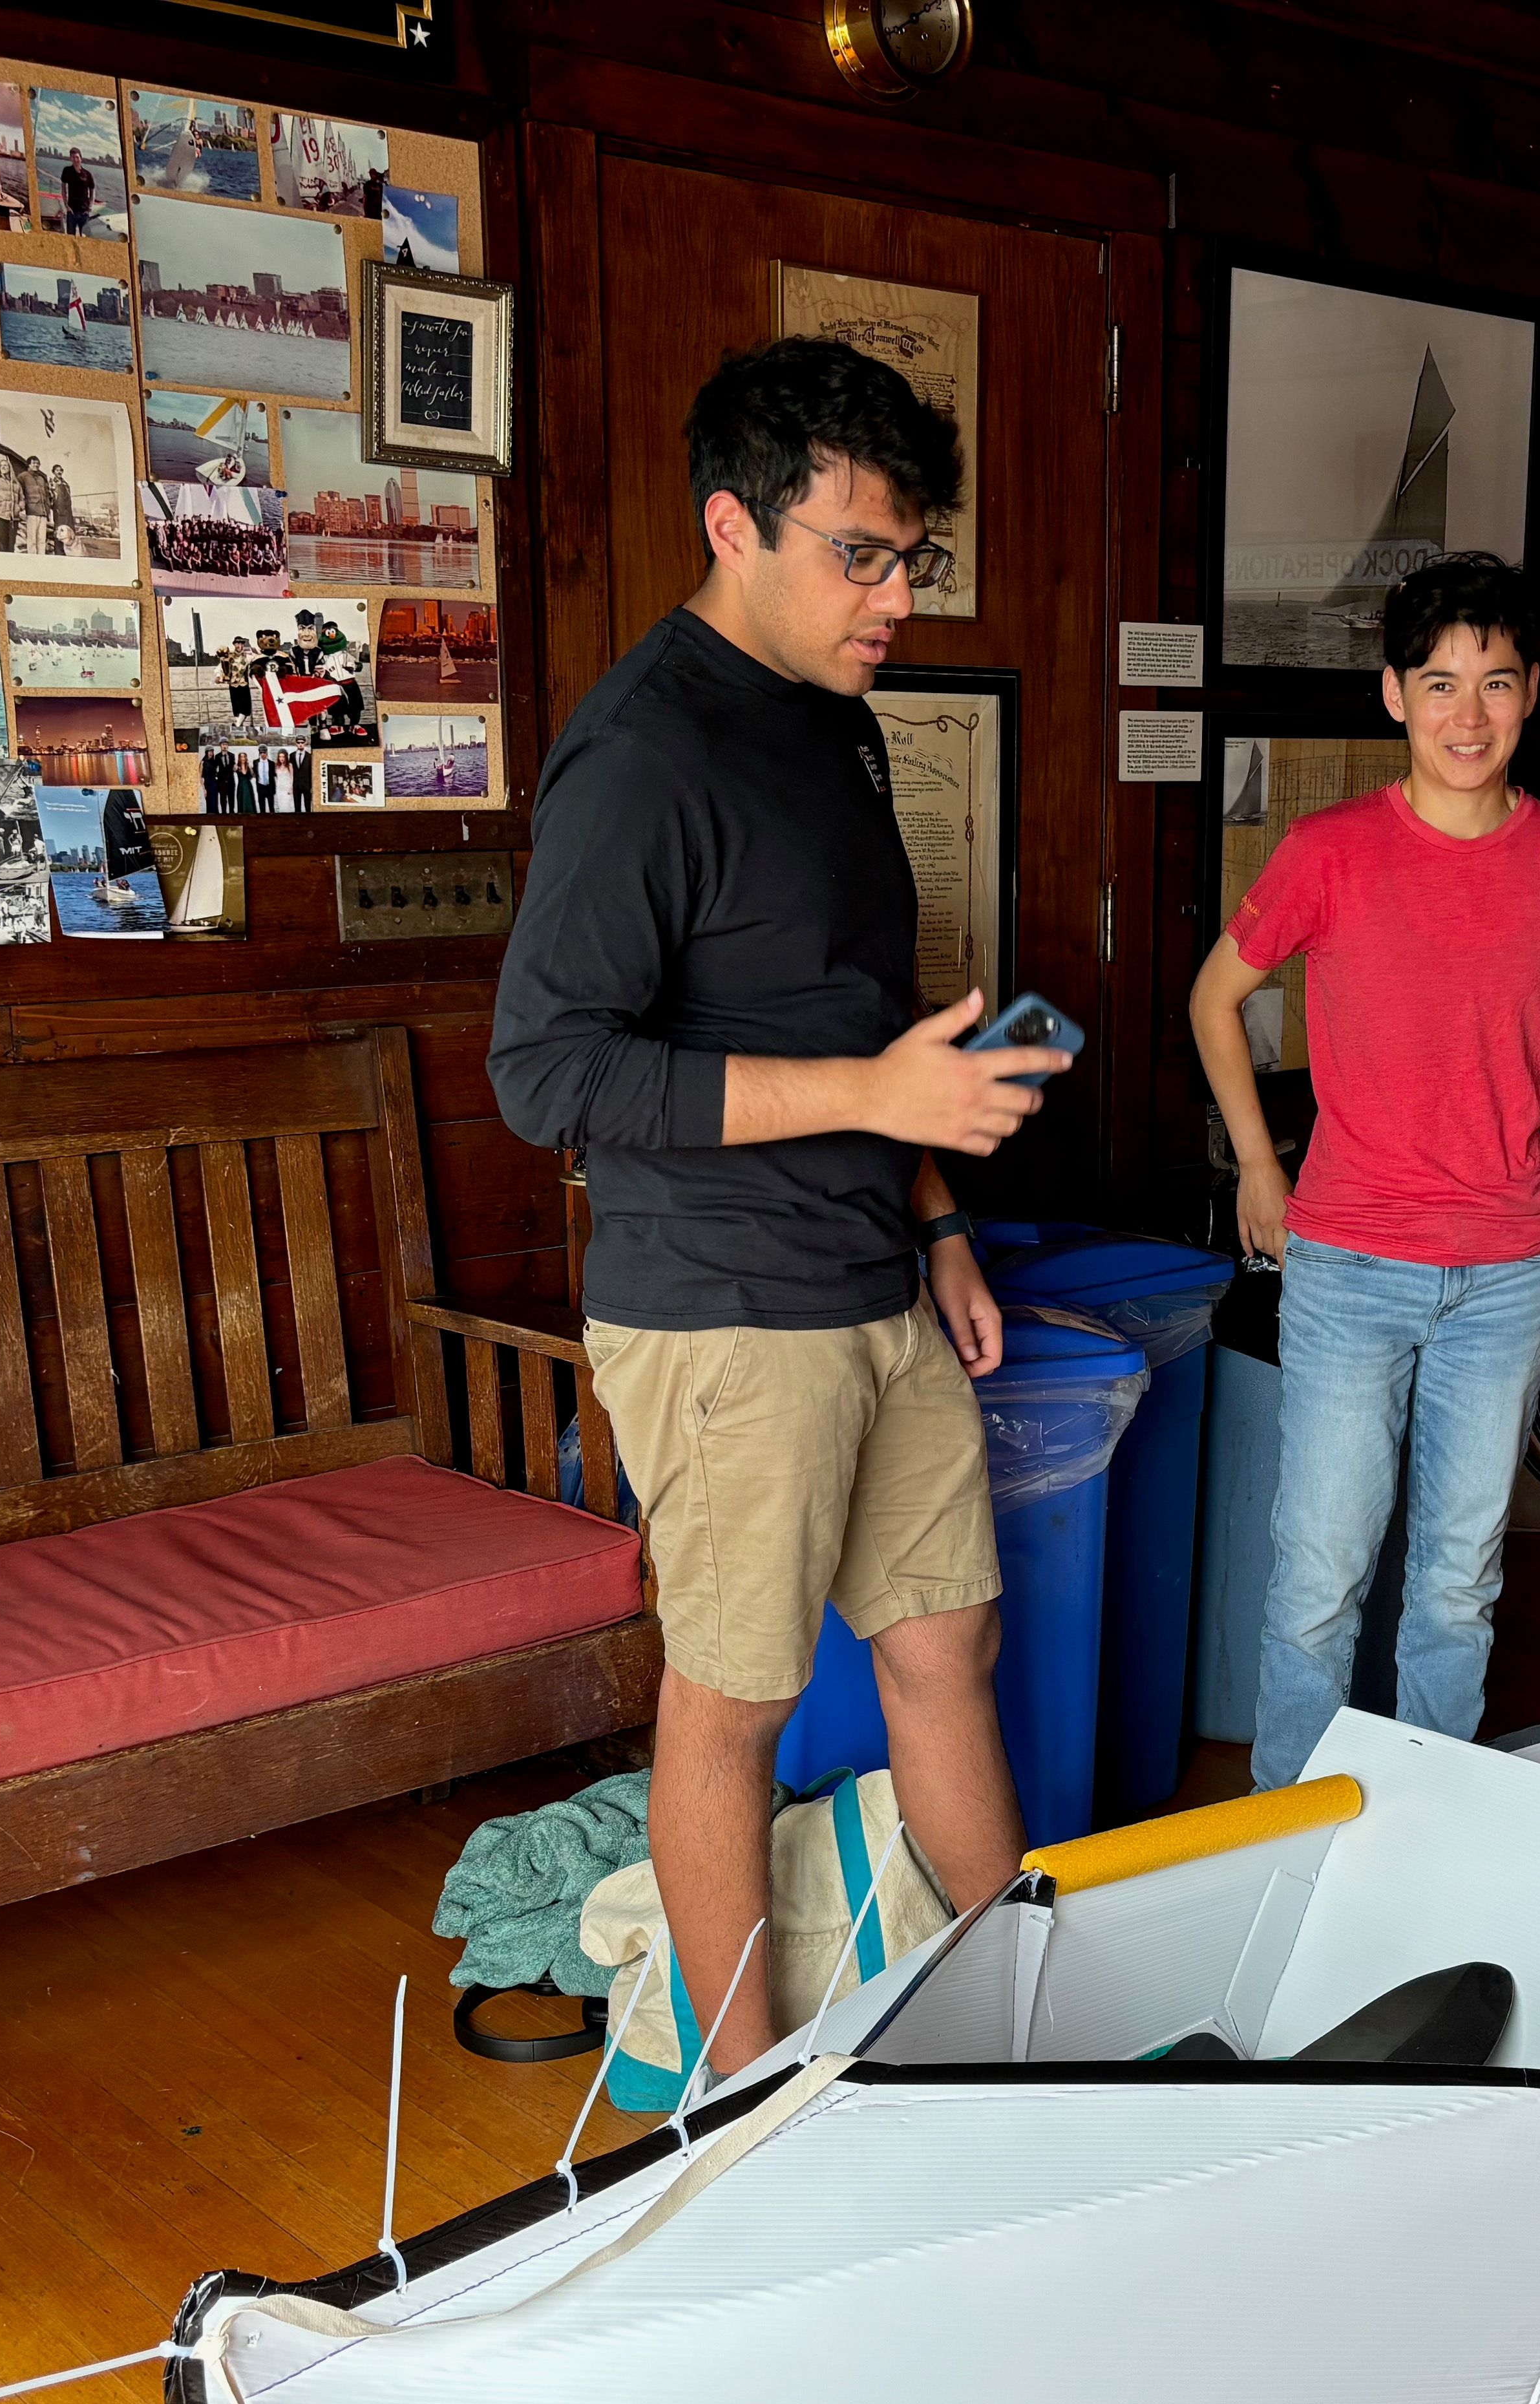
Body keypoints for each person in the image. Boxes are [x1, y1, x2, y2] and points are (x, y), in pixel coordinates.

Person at [490, 336, 1067, 2079]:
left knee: (946, 1634)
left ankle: (1034, 2014)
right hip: (723, 1309)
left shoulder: (837, 723)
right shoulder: (644, 755)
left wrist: (939, 1207)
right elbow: (548, 1074)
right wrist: (881, 1105)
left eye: (915, 558)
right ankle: (743, 2105)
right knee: (732, 1704)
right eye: (861, 556)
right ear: (735, 525)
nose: (895, 598)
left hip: (872, 1272)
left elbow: (850, 1014)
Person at [1188, 553, 1540, 1791]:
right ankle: (1282, 1834)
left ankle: (1430, 1827)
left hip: (1507, 1272)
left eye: (1496, 684)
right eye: (1440, 685)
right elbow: (1216, 998)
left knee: (1458, 1576)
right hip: (1346, 1261)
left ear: (1532, 691)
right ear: (1394, 696)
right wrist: (1258, 1168)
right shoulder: (1331, 853)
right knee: (1322, 1573)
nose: (1468, 716)